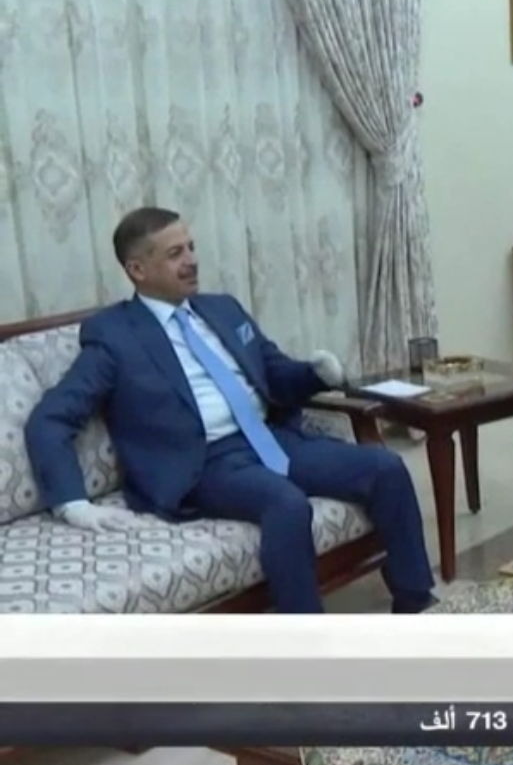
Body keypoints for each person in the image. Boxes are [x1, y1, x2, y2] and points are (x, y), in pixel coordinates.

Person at [24, 207, 437, 614]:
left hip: (270, 439)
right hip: (203, 464)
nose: (192, 260)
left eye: (191, 247)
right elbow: (51, 418)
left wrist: (316, 374)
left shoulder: (222, 309)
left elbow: (275, 374)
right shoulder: (114, 335)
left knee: (385, 468)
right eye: (175, 254)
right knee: (286, 504)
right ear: (138, 269)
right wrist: (72, 503)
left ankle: (416, 602)